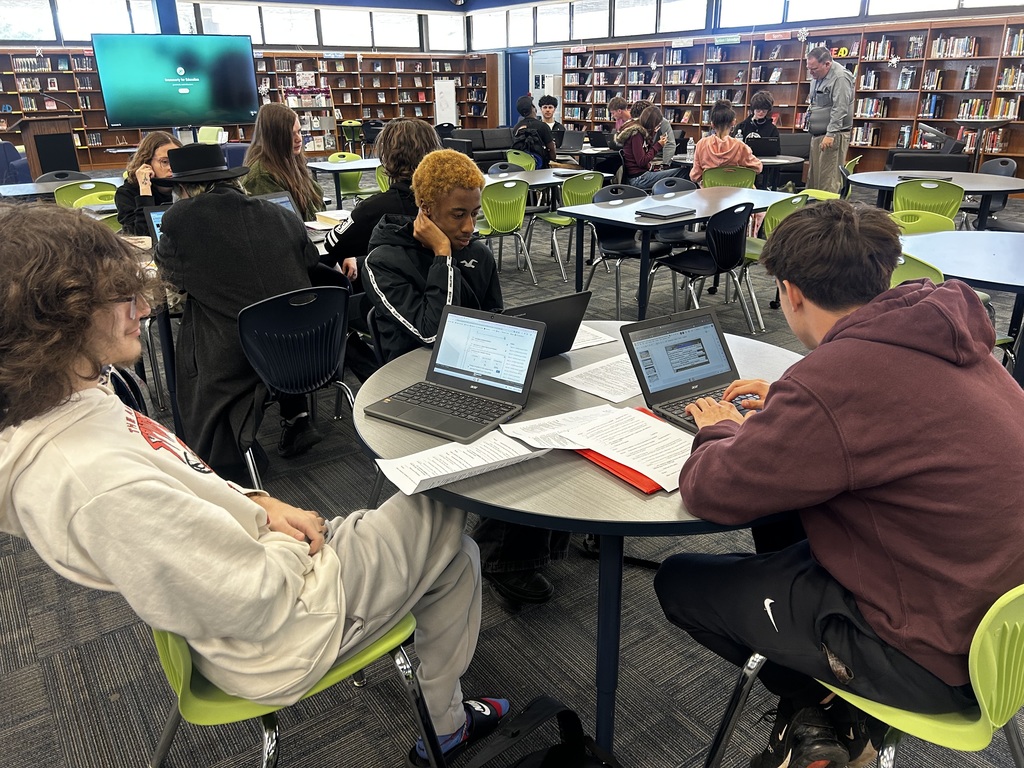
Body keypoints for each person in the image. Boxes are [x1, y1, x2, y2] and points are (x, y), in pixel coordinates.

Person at [0, 201, 509, 768]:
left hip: (270, 572)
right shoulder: (91, 483)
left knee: (456, 556)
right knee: (451, 489)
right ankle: (448, 721)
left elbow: (182, 490)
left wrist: (257, 501)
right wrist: (286, 543)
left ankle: (448, 727)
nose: (144, 308)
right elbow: (248, 601)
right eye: (121, 299)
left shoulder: (74, 397)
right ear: (55, 320)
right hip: (288, 625)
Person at [653, 200, 1024, 768]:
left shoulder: (835, 380)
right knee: (788, 514)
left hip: (929, 656)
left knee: (681, 582)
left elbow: (712, 490)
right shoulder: (947, 332)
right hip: (1001, 637)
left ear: (791, 292)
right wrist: (789, 400)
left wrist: (718, 429)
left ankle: (824, 710)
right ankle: (824, 717)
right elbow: (899, 412)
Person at [363, 149, 569, 607]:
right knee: (511, 439)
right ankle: (503, 557)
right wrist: (442, 255)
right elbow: (431, 331)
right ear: (426, 211)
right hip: (409, 387)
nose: (469, 227)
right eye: (457, 216)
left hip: (474, 373)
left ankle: (540, 538)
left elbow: (495, 318)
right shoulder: (383, 260)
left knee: (554, 419)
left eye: (474, 214)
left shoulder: (476, 253)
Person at [153, 143, 322, 482]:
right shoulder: (281, 214)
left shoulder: (179, 219)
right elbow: (311, 263)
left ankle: (216, 456)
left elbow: (171, 279)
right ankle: (296, 415)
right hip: (306, 349)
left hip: (239, 360)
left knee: (194, 320)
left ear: (183, 188)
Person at [323, 118, 441, 287]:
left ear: (388, 157)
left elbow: (332, 243)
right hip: (445, 285)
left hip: (393, 292)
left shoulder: (373, 209)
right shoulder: (450, 203)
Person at [242, 102, 325, 222]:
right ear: (275, 138)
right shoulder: (261, 176)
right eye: (291, 135)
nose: (299, 139)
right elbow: (282, 224)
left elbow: (314, 202)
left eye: (299, 132)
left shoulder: (290, 160)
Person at [805, 47, 854, 194]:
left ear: (827, 64)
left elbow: (840, 108)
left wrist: (830, 134)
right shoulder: (816, 77)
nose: (811, 72)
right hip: (817, 134)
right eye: (809, 68)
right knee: (814, 181)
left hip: (832, 136)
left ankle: (829, 216)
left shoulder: (840, 78)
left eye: (814, 69)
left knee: (828, 181)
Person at [114, 130, 181, 235]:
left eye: (176, 160)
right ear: (147, 162)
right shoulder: (127, 193)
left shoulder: (186, 186)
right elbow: (141, 237)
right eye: (165, 162)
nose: (171, 168)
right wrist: (145, 192)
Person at [689, 100, 762, 185]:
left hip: (710, 195)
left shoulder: (701, 144)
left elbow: (695, 176)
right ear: (733, 122)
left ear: (712, 124)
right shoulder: (740, 146)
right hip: (736, 194)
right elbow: (758, 168)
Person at [615, 105, 682, 190]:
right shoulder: (636, 135)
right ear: (654, 123)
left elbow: (645, 154)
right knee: (683, 173)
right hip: (639, 178)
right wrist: (658, 145)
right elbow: (642, 161)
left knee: (677, 172)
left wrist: (652, 134)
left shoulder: (641, 133)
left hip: (642, 174)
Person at [630, 99, 676, 165]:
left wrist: (665, 165)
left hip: (657, 159)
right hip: (641, 161)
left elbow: (669, 145)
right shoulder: (634, 128)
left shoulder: (662, 122)